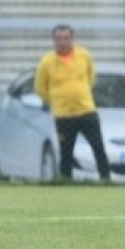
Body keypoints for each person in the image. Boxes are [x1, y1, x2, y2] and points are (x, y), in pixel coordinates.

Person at [34, 24, 111, 182]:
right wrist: (56, 100)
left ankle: (105, 178)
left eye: (66, 38)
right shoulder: (47, 62)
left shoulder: (84, 56)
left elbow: (91, 78)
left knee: (98, 146)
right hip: (64, 115)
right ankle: (66, 180)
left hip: (86, 110)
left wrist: (79, 93)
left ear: (72, 39)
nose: (63, 42)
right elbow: (40, 88)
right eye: (59, 39)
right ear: (53, 40)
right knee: (66, 151)